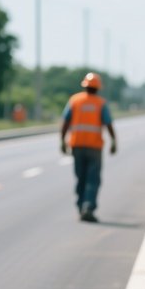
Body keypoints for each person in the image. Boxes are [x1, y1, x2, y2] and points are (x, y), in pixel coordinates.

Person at [60, 72, 117, 222]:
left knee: (81, 178)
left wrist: (62, 140)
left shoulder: (75, 100)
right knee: (93, 179)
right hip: (94, 147)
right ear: (98, 88)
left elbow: (65, 122)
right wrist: (113, 141)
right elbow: (108, 123)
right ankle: (88, 207)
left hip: (77, 145)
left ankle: (81, 206)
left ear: (85, 86)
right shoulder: (100, 103)